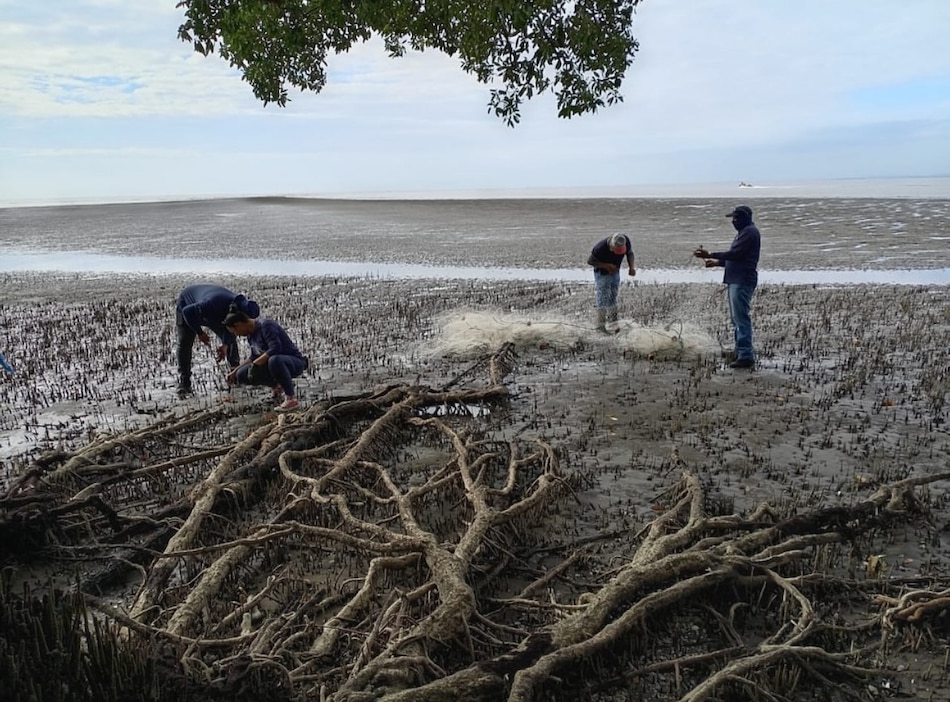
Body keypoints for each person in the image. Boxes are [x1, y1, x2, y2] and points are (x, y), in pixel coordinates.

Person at [693, 204, 761, 369]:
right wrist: (716, 263)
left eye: (735, 218)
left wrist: (710, 254)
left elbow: (736, 255)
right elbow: (734, 258)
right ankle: (739, 351)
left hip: (742, 280)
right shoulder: (743, 233)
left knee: (741, 318)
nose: (733, 221)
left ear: (743, 218)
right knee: (736, 318)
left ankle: (745, 355)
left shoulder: (750, 233)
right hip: (735, 279)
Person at [175, 284, 260, 396]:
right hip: (188, 305)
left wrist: (225, 345)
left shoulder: (238, 308)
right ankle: (184, 382)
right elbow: (187, 312)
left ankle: (235, 374)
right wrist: (199, 332)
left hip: (215, 314)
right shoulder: (212, 303)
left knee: (231, 340)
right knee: (185, 343)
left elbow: (230, 330)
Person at [223, 309, 308, 411]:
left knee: (274, 360)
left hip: (293, 362)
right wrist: (235, 371)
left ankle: (291, 398)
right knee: (241, 374)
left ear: (239, 324)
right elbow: (254, 356)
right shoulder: (250, 335)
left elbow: (276, 348)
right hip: (274, 365)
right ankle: (277, 386)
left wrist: (255, 365)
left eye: (235, 332)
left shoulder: (266, 326)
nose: (237, 335)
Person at [587, 233, 636, 333]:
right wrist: (606, 266)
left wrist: (631, 267)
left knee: (613, 296)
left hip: (615, 272)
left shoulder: (625, 239)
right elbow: (590, 261)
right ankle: (600, 327)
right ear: (611, 247)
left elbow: (630, 253)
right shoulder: (600, 248)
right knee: (603, 298)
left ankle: (613, 323)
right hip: (602, 273)